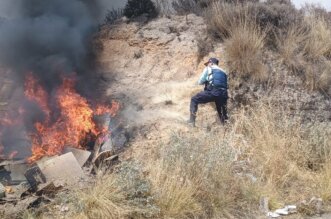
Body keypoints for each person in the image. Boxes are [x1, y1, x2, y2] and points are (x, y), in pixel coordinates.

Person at [187, 57, 228, 127]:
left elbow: (200, 81)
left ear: (211, 63)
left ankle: (191, 121)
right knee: (222, 114)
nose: (207, 65)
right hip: (223, 94)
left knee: (194, 99)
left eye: (208, 63)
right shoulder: (224, 72)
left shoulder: (208, 68)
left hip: (213, 91)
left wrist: (204, 82)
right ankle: (226, 128)